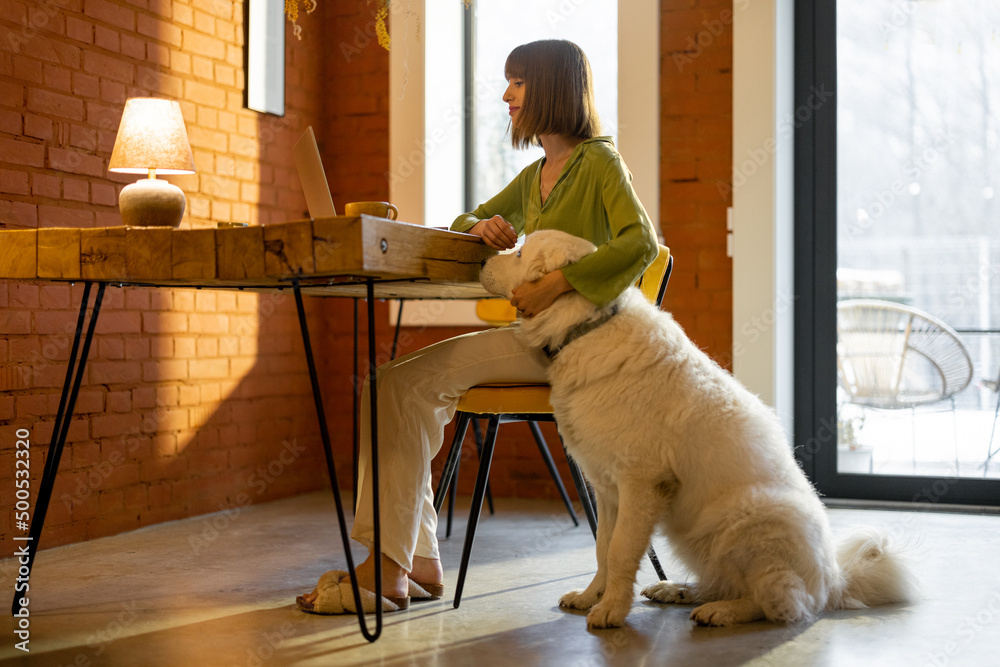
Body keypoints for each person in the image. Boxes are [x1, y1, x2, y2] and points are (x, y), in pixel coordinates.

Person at [297, 39, 658, 614]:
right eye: (508, 83)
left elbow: (642, 243)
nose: (507, 95)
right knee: (390, 386)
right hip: (538, 341)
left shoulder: (598, 162)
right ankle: (412, 560)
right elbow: (464, 218)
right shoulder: (537, 174)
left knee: (400, 385)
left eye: (517, 82)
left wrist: (557, 284)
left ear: (551, 88)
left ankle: (390, 567)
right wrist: (483, 225)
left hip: (577, 349)